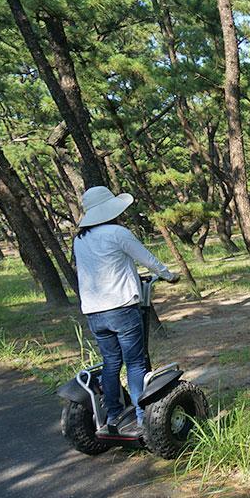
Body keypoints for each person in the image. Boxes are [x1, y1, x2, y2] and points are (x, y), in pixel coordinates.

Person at [73, 186, 179, 437]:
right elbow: (147, 258)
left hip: (94, 313)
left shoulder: (80, 239)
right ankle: (144, 418)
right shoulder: (117, 232)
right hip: (121, 308)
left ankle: (112, 414)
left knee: (111, 362)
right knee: (135, 362)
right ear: (109, 209)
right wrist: (169, 275)